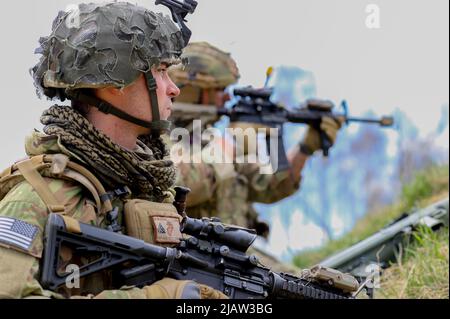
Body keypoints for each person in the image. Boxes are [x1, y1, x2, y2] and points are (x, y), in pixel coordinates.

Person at [0, 2, 225, 299]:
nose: (173, 89)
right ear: (114, 82)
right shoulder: (36, 199)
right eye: (160, 71)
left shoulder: (145, 186)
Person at [167, 42, 344, 272]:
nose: (226, 98)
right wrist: (229, 150)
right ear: (192, 91)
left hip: (234, 258)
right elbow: (179, 188)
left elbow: (270, 186)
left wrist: (304, 148)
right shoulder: (159, 141)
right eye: (219, 90)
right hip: (193, 262)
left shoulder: (213, 141)